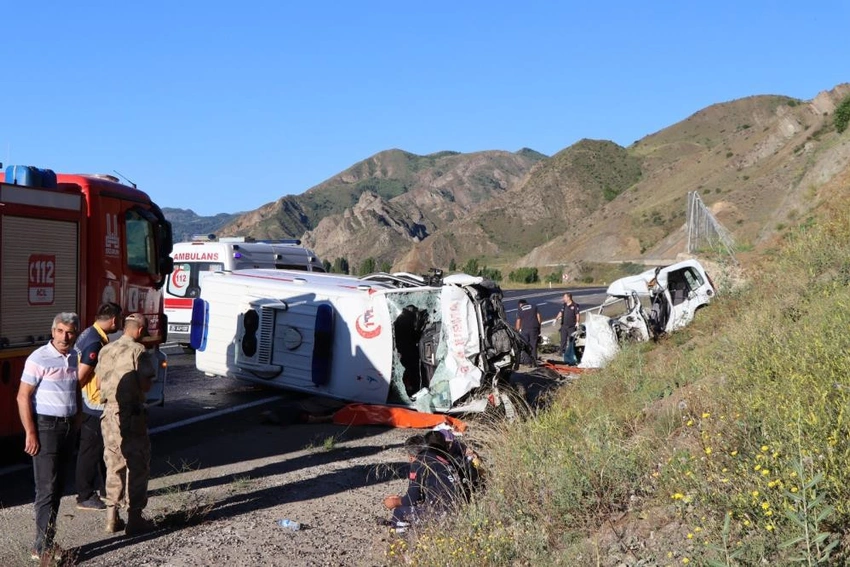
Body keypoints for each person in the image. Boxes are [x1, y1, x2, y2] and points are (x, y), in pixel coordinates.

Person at [16, 312, 81, 562]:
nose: (65, 336)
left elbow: (75, 386)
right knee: (46, 489)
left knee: (59, 488)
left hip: (67, 428)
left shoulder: (74, 355)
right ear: (53, 331)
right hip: (46, 427)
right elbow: (23, 396)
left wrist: (77, 416)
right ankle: (41, 548)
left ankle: (47, 542)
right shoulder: (39, 358)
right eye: (61, 331)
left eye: (70, 332)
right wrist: (31, 433)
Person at [97, 313, 157, 535]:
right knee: (137, 464)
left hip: (109, 413)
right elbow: (145, 384)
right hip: (131, 414)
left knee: (113, 462)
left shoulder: (106, 349)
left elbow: (97, 381)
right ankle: (135, 519)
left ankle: (111, 517)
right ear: (140, 330)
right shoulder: (138, 351)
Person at [75, 302, 123, 512]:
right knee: (90, 451)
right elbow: (82, 375)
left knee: (101, 449)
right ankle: (84, 495)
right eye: (118, 321)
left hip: (90, 402)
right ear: (113, 320)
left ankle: (106, 490)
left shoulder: (89, 333)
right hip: (93, 404)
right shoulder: (95, 342)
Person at [382, 432, 462, 529]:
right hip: (459, 508)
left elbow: (411, 498)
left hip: (443, 513)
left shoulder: (419, 462)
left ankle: (403, 540)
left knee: (399, 512)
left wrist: (394, 501)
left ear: (410, 455)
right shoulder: (440, 459)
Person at [515, 299, 542, 367]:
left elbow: (518, 321)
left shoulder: (520, 309)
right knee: (533, 345)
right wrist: (539, 326)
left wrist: (517, 331)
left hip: (525, 330)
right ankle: (534, 362)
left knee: (525, 345)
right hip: (534, 328)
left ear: (520, 304)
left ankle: (527, 362)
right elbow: (539, 317)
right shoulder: (534, 306)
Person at [556, 293, 581, 365]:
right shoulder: (564, 305)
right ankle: (562, 352)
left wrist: (577, 322)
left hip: (571, 326)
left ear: (569, 298)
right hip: (564, 325)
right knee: (563, 339)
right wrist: (556, 318)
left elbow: (577, 314)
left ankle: (572, 352)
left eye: (564, 297)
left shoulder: (575, 305)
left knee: (571, 340)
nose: (563, 299)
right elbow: (561, 312)